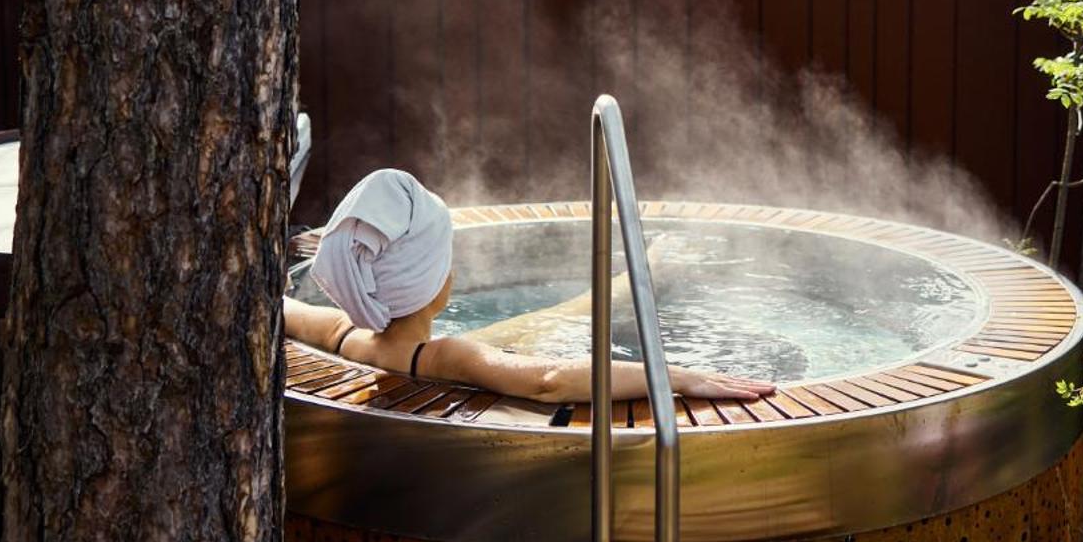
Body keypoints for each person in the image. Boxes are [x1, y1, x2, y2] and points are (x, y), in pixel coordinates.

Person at [281, 169, 773, 404]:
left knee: (545, 321)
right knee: (551, 322)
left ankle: (641, 278)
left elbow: (285, 310)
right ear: (436, 286)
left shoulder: (343, 333)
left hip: (395, 357)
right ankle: (645, 276)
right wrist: (673, 375)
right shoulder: (448, 355)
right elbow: (549, 380)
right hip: (440, 373)